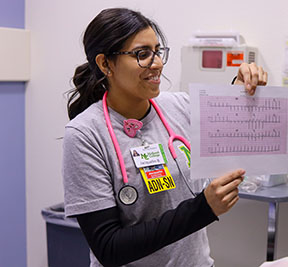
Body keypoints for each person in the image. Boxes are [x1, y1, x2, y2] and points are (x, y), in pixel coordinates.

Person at [63, 7, 268, 267]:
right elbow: (109, 247)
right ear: (105, 64)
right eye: (142, 54)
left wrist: (243, 84)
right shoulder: (85, 136)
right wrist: (203, 209)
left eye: (158, 51)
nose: (157, 63)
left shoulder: (179, 106)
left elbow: (225, 120)